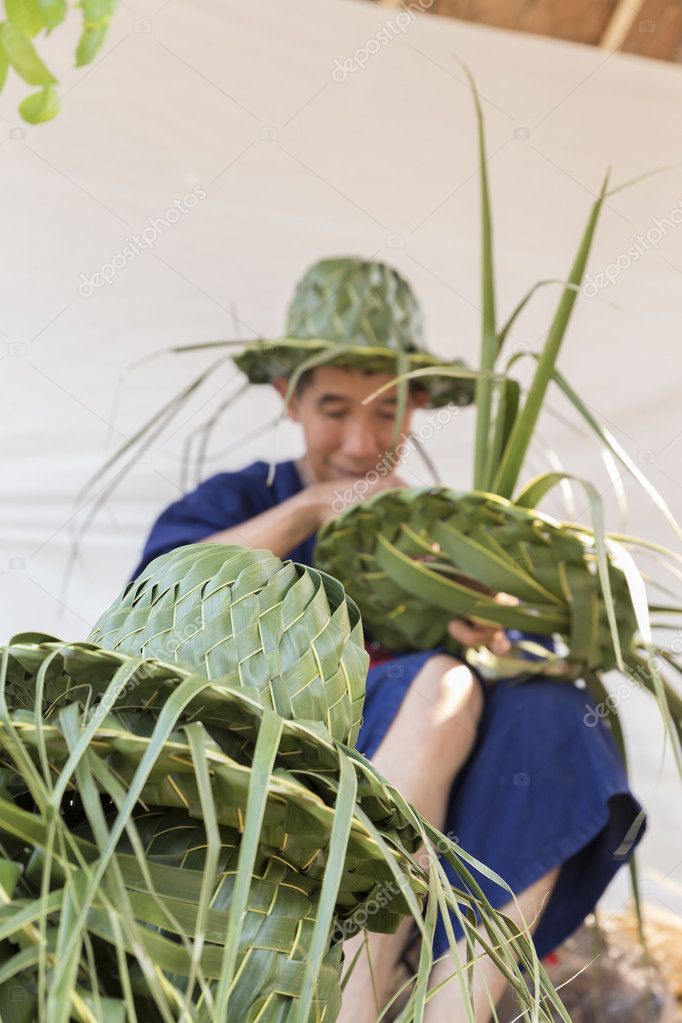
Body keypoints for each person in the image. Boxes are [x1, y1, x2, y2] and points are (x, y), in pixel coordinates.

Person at [131, 257, 645, 1022]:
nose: (360, 438)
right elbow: (155, 599)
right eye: (334, 408)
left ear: (419, 406)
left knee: (556, 713)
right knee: (441, 684)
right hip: (280, 784)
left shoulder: (451, 534)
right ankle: (355, 991)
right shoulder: (242, 500)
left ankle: (460, 998)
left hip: (448, 823)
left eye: (387, 409)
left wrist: (489, 621)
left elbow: (529, 647)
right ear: (289, 398)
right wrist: (311, 508)